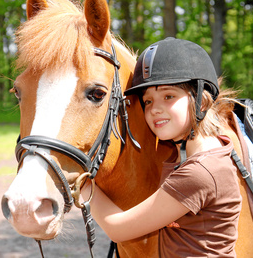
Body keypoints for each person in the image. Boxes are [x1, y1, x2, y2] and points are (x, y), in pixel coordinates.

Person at [82, 37, 242, 257]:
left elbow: (118, 228)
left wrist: (82, 184)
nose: (155, 109)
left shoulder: (199, 173)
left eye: (168, 96)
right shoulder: (208, 152)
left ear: (201, 103)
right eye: (148, 101)